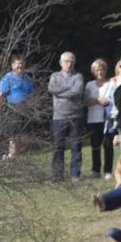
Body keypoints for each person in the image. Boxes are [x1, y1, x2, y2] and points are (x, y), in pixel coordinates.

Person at [48, 51, 85, 180]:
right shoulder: (54, 76)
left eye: (71, 62)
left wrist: (61, 92)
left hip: (76, 116)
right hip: (58, 116)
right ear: (60, 63)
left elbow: (77, 92)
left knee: (76, 146)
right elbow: (52, 89)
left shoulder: (78, 76)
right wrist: (69, 89)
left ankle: (75, 175)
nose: (69, 64)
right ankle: (57, 175)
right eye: (66, 61)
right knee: (58, 147)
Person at [0, 55, 35, 158]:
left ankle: (15, 155)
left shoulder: (27, 79)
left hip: (25, 109)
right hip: (11, 108)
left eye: (22, 63)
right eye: (18, 64)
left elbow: (32, 94)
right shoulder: (7, 78)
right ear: (12, 65)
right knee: (13, 137)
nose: (20, 66)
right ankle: (11, 157)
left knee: (25, 137)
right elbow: (1, 97)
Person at [84, 58, 115, 178]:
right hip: (93, 119)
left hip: (107, 119)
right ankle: (95, 170)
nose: (99, 72)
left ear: (105, 70)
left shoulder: (112, 83)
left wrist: (107, 101)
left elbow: (114, 100)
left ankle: (107, 171)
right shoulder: (89, 85)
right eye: (96, 70)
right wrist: (98, 101)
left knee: (108, 145)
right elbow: (85, 101)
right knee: (95, 146)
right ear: (93, 71)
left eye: (101, 69)